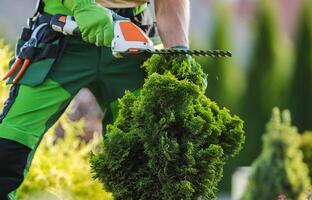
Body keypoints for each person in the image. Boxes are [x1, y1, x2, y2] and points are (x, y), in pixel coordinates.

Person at [0, 0, 190, 199]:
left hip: (131, 41)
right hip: (60, 36)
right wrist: (81, 5)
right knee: (10, 141)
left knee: (143, 158)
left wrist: (178, 49)